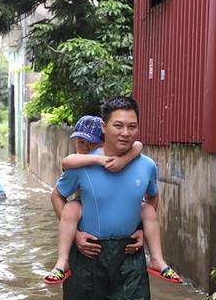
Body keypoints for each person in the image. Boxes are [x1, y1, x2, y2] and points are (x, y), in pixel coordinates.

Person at [50, 96, 158, 300]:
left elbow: (152, 197)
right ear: (104, 127)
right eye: (118, 126)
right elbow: (57, 195)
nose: (125, 133)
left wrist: (142, 230)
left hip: (129, 259)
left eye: (132, 126)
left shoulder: (147, 166)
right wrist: (75, 235)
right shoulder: (83, 164)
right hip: (86, 258)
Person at [45, 116, 181, 284]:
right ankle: (62, 261)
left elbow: (138, 146)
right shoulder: (79, 164)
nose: (85, 148)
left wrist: (141, 230)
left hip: (124, 241)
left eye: (91, 143)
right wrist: (76, 235)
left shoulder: (143, 164)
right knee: (71, 208)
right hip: (86, 212)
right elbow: (65, 164)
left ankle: (156, 259)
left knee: (147, 209)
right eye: (81, 142)